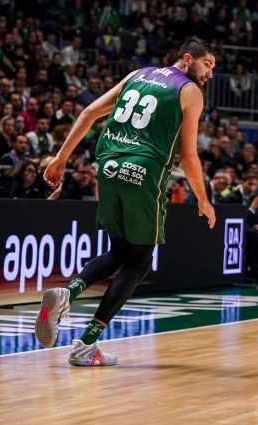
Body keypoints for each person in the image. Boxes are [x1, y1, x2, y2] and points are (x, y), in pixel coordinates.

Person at [34, 37, 217, 366]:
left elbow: (90, 112)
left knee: (119, 251)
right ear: (188, 58)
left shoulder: (138, 74)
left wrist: (61, 159)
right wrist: (203, 199)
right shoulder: (189, 91)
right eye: (207, 64)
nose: (210, 73)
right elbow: (188, 155)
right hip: (144, 172)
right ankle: (86, 343)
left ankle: (68, 292)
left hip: (107, 166)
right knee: (138, 263)